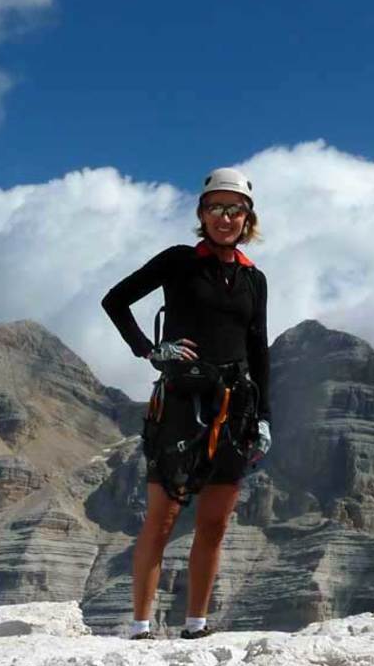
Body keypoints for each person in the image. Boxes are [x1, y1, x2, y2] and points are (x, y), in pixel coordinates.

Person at [101, 167, 273, 639]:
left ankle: (195, 626)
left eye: (234, 209)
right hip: (181, 400)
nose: (225, 217)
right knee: (164, 516)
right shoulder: (179, 261)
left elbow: (258, 348)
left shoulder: (253, 279)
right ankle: (139, 627)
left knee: (215, 521)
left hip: (236, 406)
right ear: (201, 213)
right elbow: (115, 300)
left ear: (247, 218)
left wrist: (264, 418)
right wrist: (150, 349)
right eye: (215, 207)